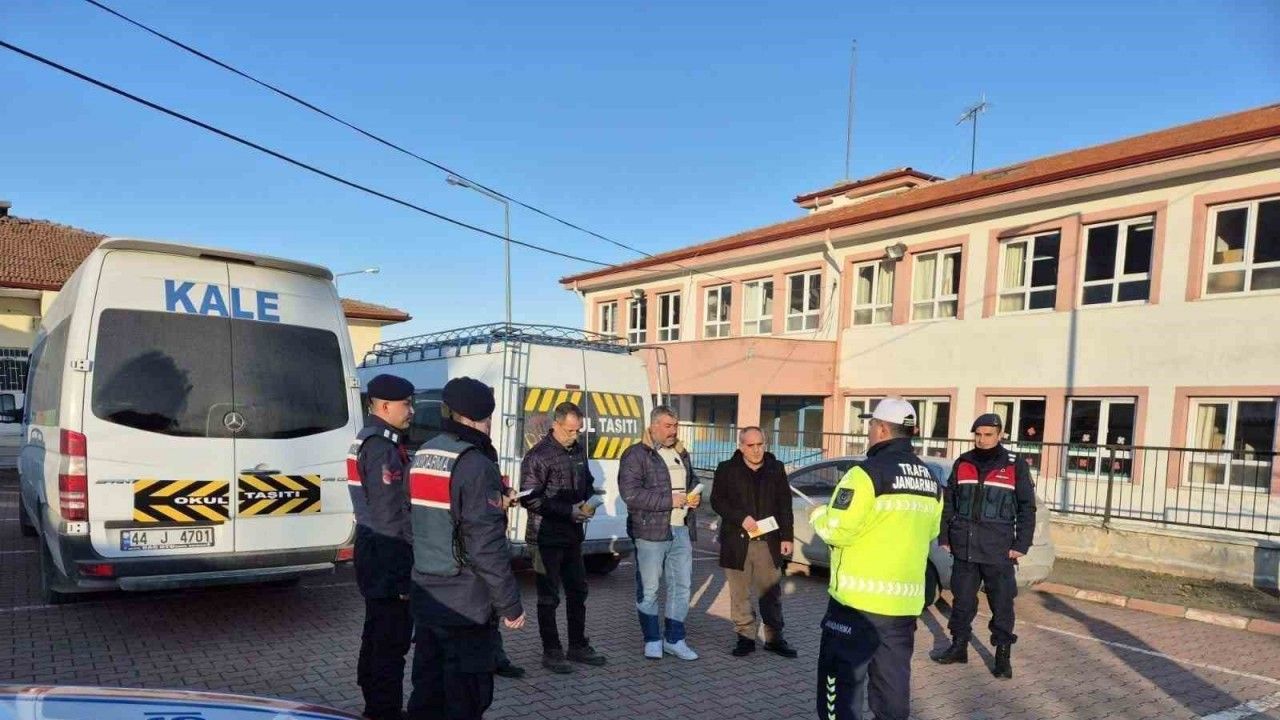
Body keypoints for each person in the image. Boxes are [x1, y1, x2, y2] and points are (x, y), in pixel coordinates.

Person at [810, 399, 942, 720]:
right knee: (892, 692)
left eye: (870, 425)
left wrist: (819, 515)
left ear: (882, 429)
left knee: (840, 691)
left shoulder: (865, 474)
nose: (868, 431)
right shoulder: (930, 479)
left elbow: (837, 530)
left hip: (856, 604)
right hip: (903, 607)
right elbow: (931, 532)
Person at [406, 377, 524, 720]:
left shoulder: (424, 453)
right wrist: (510, 605)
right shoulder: (475, 463)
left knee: (427, 691)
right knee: (468, 697)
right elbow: (485, 546)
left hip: (427, 594)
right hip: (466, 603)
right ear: (479, 418)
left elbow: (411, 519)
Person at [931, 413, 1037, 679]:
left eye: (988, 434)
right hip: (964, 547)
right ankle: (958, 647)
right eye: (978, 434)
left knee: (1002, 605)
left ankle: (1002, 657)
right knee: (962, 602)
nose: (982, 439)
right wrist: (945, 537)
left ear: (999, 435)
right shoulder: (963, 462)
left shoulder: (1014, 465)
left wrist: (1021, 544)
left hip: (998, 549)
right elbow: (949, 504)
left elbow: (1027, 508)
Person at [520, 401, 608, 673]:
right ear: (555, 425)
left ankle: (577, 645)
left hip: (572, 536)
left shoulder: (578, 451)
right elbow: (529, 499)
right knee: (548, 597)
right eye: (570, 430)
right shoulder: (538, 456)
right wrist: (568, 511)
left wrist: (589, 503)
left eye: (578, 430)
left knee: (578, 591)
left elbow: (587, 482)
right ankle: (552, 651)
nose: (575, 435)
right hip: (544, 537)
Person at [348, 374, 415, 720]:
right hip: (386, 554)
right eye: (407, 404)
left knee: (375, 632)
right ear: (385, 406)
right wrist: (402, 578)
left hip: (372, 550)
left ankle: (375, 704)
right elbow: (390, 518)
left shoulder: (368, 438)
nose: (412, 411)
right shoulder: (381, 448)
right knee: (390, 641)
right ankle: (384, 709)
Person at [618, 405, 701, 661]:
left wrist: (694, 496)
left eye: (675, 426)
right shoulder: (636, 454)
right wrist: (669, 501)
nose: (673, 431)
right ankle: (652, 639)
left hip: (681, 529)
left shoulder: (680, 452)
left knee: (682, 587)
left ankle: (674, 639)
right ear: (653, 426)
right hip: (650, 532)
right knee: (650, 588)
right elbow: (631, 494)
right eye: (668, 426)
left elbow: (691, 480)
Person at [710, 426, 797, 659]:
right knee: (739, 594)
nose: (756, 450)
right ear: (741, 446)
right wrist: (740, 518)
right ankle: (745, 638)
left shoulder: (775, 468)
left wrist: (787, 536)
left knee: (770, 593)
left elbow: (784, 505)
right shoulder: (727, 469)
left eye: (760, 444)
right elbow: (717, 501)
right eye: (751, 445)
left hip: (768, 542)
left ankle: (774, 638)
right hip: (737, 542)